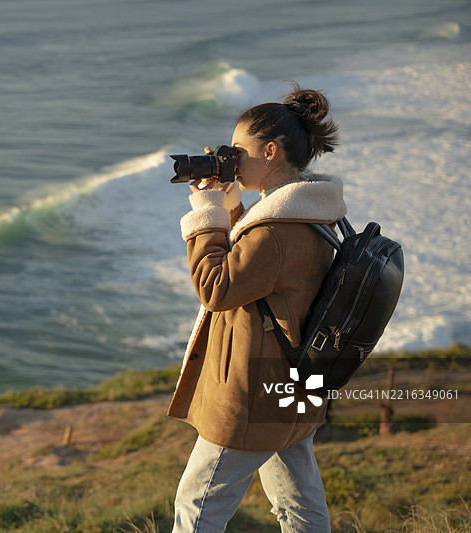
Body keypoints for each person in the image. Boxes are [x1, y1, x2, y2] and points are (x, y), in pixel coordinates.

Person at [167, 82, 345, 533]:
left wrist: (205, 209)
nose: (231, 158)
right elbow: (258, 268)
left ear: (269, 152)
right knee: (298, 507)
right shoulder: (313, 212)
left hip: (253, 393)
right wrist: (227, 202)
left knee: (196, 508)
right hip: (296, 385)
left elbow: (217, 287)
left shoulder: (276, 231)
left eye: (238, 151)